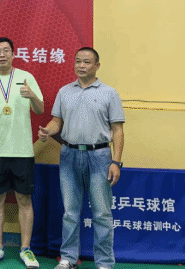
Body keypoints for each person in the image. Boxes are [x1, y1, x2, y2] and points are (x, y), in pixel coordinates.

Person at [39, 47, 125, 270]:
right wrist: (48, 130)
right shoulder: (65, 91)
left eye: (87, 62)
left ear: (97, 66)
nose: (81, 65)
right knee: (70, 212)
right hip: (69, 155)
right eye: (78, 61)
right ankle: (68, 258)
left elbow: (117, 130)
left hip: (100, 157)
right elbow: (57, 122)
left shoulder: (109, 93)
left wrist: (116, 162)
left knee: (102, 213)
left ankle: (104, 263)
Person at [0, 37, 44, 269]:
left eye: (6, 50)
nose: (2, 54)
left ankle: (25, 249)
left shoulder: (27, 78)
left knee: (24, 199)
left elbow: (40, 109)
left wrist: (31, 95)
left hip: (22, 151)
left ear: (14, 54)